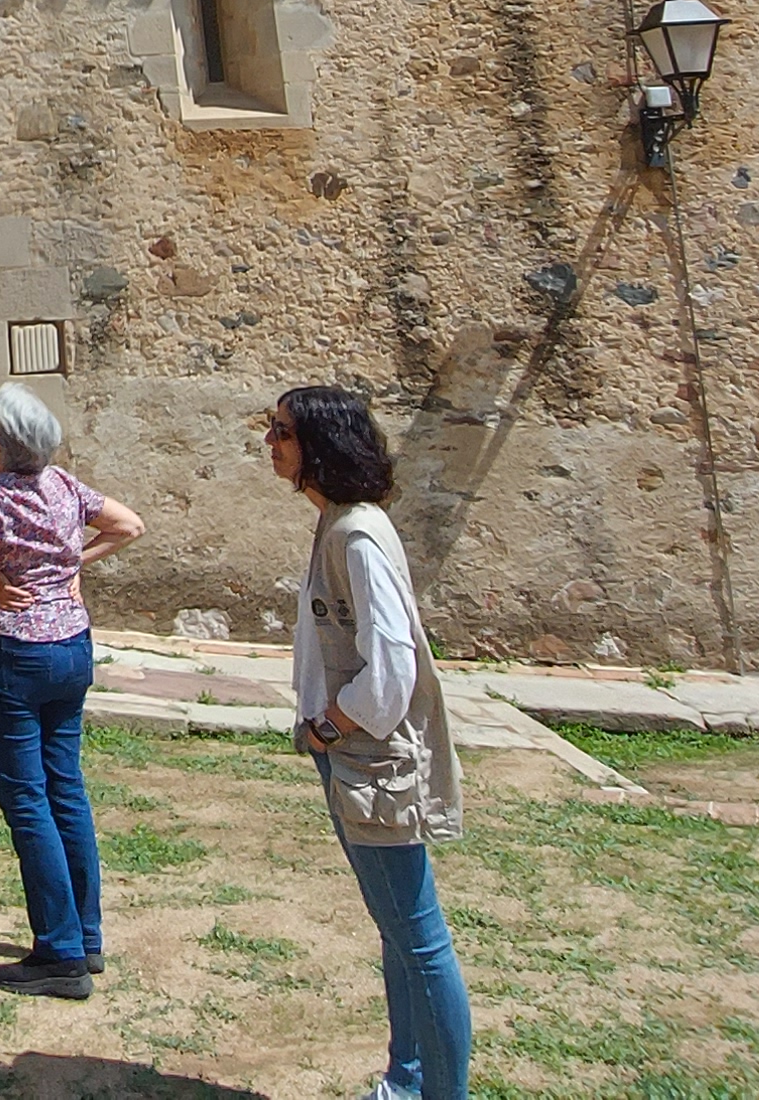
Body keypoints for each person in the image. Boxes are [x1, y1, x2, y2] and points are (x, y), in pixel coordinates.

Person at [274, 384, 470, 1100]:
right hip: (356, 760)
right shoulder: (340, 524)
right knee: (399, 933)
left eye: (283, 431)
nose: (271, 442)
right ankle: (408, 1079)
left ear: (320, 447)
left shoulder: (356, 535)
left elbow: (392, 667)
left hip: (370, 763)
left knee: (420, 942)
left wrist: (330, 727)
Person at [0, 381, 142, 999]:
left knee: (27, 798)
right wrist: (74, 561)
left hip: (14, 653)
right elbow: (130, 525)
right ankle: (86, 934)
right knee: (67, 789)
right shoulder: (63, 485)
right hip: (71, 647)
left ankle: (58, 953)